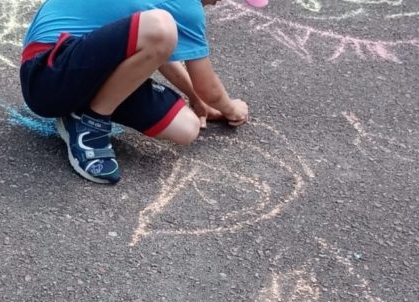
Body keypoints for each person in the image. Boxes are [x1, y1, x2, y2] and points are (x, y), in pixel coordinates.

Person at [19, 0, 254, 184]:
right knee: (161, 26)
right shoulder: (186, 6)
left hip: (82, 69)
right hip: (46, 74)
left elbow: (157, 50)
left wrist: (196, 99)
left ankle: (77, 112)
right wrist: (232, 109)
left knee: (186, 128)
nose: (221, 1)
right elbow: (207, 86)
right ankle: (91, 125)